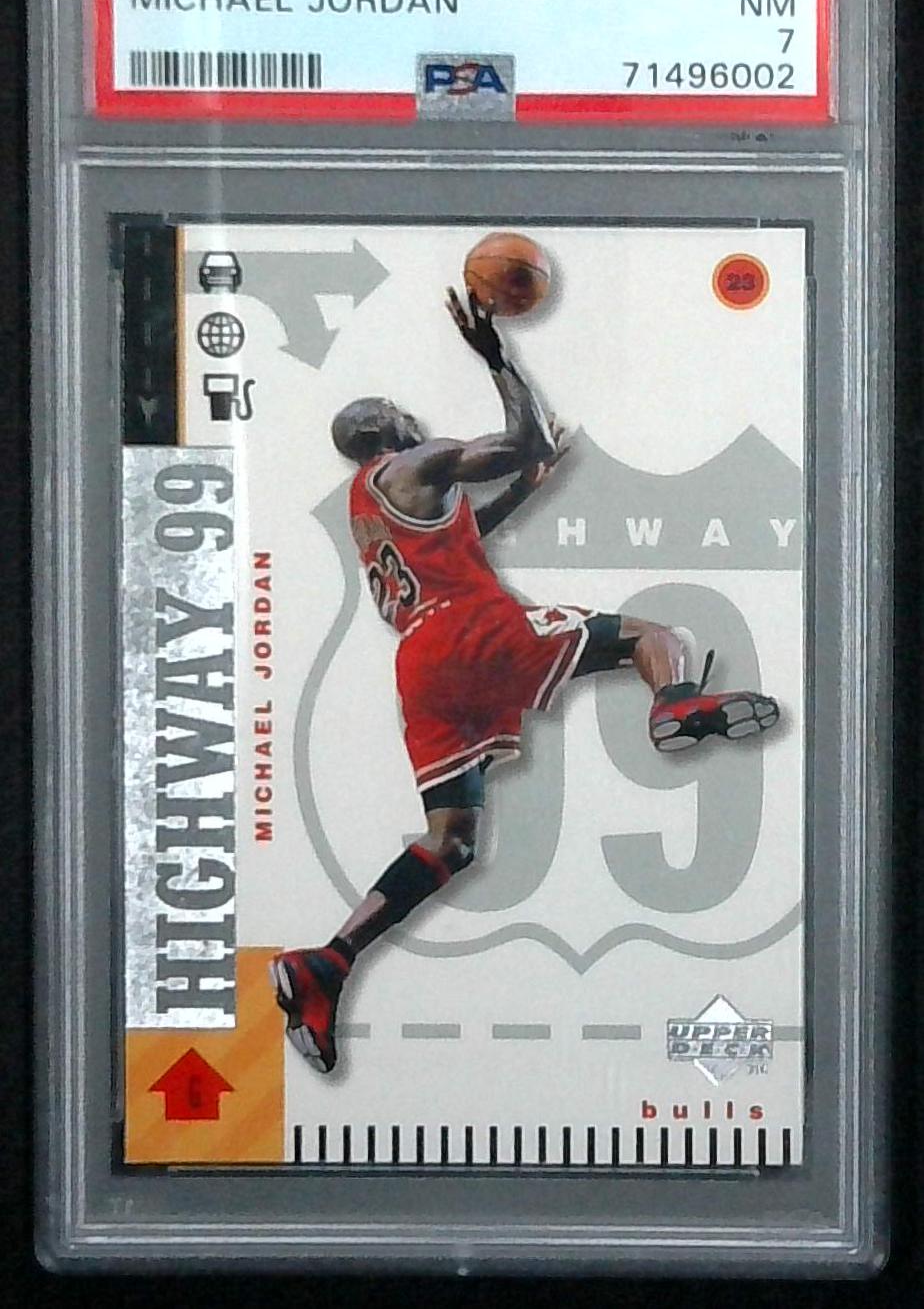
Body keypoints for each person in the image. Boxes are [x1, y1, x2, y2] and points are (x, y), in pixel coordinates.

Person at [271, 289, 779, 1072]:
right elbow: (523, 437)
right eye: (399, 411)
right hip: (472, 632)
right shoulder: (417, 459)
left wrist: (527, 489)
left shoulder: (368, 507)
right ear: (386, 427)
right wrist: (496, 355)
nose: (411, 414)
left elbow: (464, 536)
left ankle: (329, 961)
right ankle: (675, 706)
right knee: (657, 636)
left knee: (452, 842)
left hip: (421, 665)